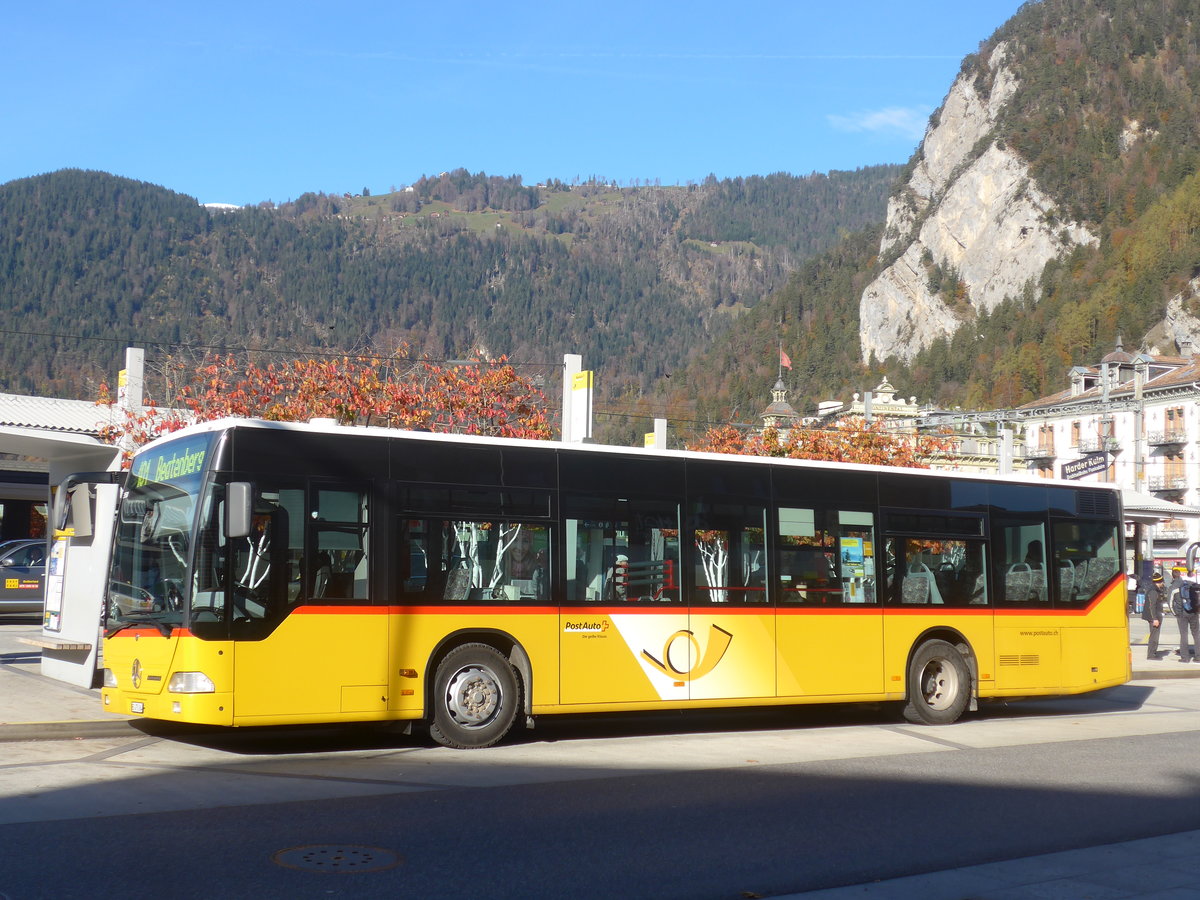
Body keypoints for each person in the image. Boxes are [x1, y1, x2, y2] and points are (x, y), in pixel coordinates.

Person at [1140, 571, 1166, 659]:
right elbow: (1152, 606)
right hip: (1154, 617)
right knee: (1154, 635)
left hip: (1156, 616)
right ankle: (1151, 654)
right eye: (1162, 581)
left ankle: (1153, 653)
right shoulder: (1153, 591)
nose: (1163, 583)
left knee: (1155, 634)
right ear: (1159, 582)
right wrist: (1154, 618)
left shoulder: (1154, 589)